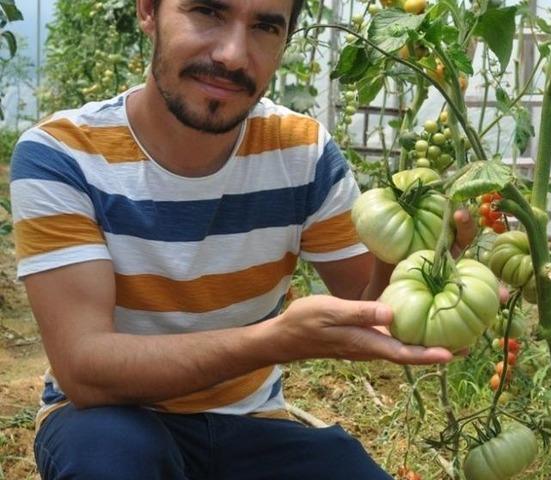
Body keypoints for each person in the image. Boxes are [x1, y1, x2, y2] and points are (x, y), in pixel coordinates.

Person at [10, 0, 476, 478]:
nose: (233, 54)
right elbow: (86, 371)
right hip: (109, 419)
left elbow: (369, 305)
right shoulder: (62, 156)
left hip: (250, 424)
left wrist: (414, 260)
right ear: (148, 11)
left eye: (265, 27)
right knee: (111, 459)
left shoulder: (302, 153)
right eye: (208, 12)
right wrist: (274, 341)